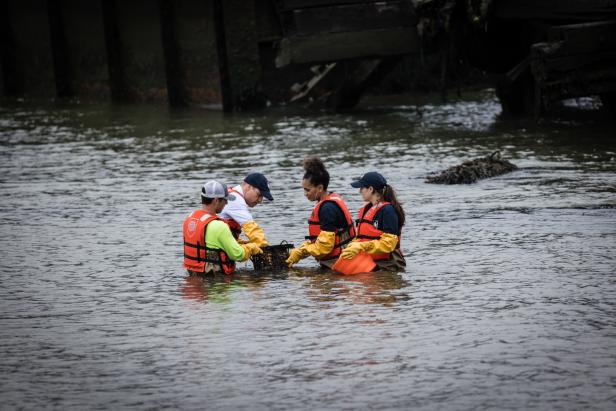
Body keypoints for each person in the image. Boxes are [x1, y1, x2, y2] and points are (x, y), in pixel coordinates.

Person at [286, 157, 355, 269]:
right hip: (337, 260)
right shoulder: (328, 201)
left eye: (307, 190)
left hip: (339, 263)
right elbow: (323, 240)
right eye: (303, 189)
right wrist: (303, 248)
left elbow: (324, 247)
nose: (305, 194)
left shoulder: (327, 208)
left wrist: (301, 252)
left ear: (320, 188)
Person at [183, 180, 263, 275]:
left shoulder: (190, 218)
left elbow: (210, 243)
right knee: (253, 281)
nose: (226, 203)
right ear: (216, 200)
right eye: (225, 200)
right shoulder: (219, 225)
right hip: (216, 281)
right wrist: (252, 247)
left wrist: (240, 243)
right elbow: (237, 254)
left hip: (193, 274)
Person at [340, 171, 406, 271]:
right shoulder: (367, 209)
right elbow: (362, 237)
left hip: (388, 265)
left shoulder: (388, 210)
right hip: (370, 263)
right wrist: (353, 246)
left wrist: (361, 246)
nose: (359, 191)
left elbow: (389, 244)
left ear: (370, 189)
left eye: (362, 188)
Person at [218, 172, 272, 247]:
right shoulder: (235, 200)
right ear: (248, 187)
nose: (260, 200)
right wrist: (266, 249)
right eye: (259, 195)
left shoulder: (232, 194)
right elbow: (253, 229)